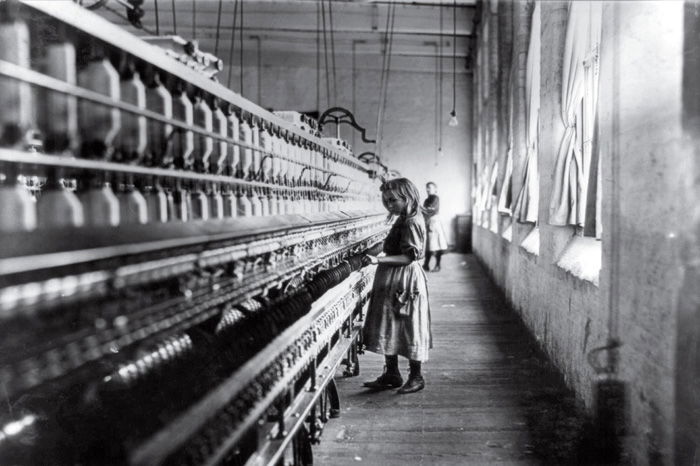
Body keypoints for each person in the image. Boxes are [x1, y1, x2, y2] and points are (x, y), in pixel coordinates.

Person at [361, 178, 432, 394]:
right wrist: (371, 250)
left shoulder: (412, 221)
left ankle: (416, 377)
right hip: (393, 277)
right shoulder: (403, 218)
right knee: (389, 323)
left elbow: (409, 257)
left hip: (405, 278)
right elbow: (390, 245)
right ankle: (392, 373)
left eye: (393, 200)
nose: (389, 205)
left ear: (407, 197)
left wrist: (378, 260)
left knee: (408, 324)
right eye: (385, 201)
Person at [421, 182, 448, 272]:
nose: (428, 189)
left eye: (430, 188)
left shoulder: (435, 198)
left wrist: (422, 209)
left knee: (437, 245)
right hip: (428, 223)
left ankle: (437, 265)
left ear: (435, 189)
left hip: (434, 223)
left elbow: (430, 210)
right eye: (427, 188)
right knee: (429, 245)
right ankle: (426, 265)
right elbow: (425, 212)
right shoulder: (426, 200)